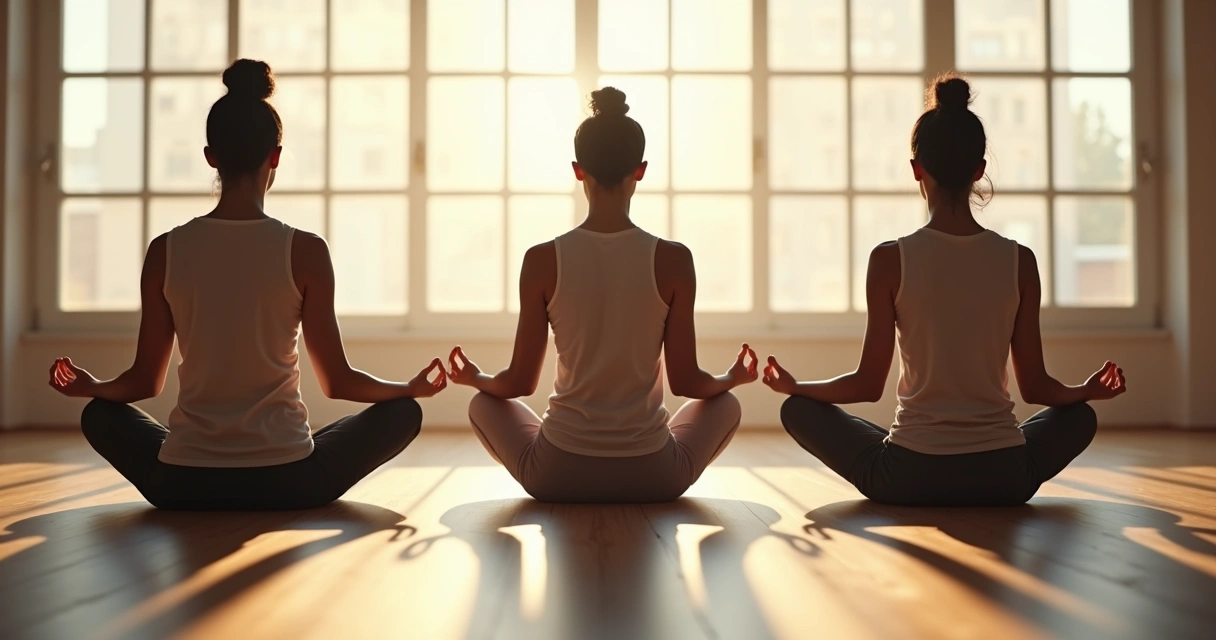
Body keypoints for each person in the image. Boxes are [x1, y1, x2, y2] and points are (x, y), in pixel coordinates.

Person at [48, 59, 447, 510]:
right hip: (291, 481)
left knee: (100, 414)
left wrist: (89, 385)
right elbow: (337, 381)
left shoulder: (165, 250)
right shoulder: (306, 251)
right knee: (403, 414)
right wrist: (407, 389)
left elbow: (144, 381)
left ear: (210, 156)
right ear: (275, 156)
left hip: (181, 483)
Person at [762, 74, 1127, 507]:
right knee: (1080, 418)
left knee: (797, 410)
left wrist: (796, 386)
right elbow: (1037, 388)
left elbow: (866, 384)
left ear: (917, 169)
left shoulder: (889, 260)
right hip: (1005, 475)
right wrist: (1086, 391)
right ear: (979, 170)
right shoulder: (1019, 261)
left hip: (908, 475)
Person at [446, 87, 758, 503]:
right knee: (728, 404)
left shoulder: (541, 260)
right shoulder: (674, 260)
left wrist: (474, 378)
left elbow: (518, 382)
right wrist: (732, 377)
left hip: (556, 472)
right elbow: (687, 382)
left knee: (481, 404)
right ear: (641, 170)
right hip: (654, 474)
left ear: (578, 170)